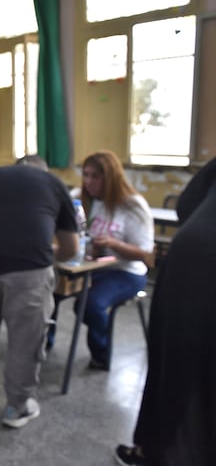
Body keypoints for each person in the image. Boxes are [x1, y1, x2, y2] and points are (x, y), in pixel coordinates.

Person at [0, 155, 78, 428]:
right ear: (43, 169)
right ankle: (17, 408)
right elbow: (70, 248)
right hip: (29, 270)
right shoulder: (55, 183)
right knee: (25, 343)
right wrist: (46, 250)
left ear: (16, 165)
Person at [115, 157, 216, 466]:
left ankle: (157, 449)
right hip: (198, 262)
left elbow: (186, 206)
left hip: (195, 264)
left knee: (177, 364)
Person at [77, 150, 154, 370]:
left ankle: (101, 355)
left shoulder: (133, 205)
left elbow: (144, 253)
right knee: (54, 291)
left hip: (127, 271)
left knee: (91, 304)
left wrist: (114, 243)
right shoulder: (86, 200)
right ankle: (44, 346)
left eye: (95, 176)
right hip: (94, 266)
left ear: (110, 178)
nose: (88, 182)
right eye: (86, 175)